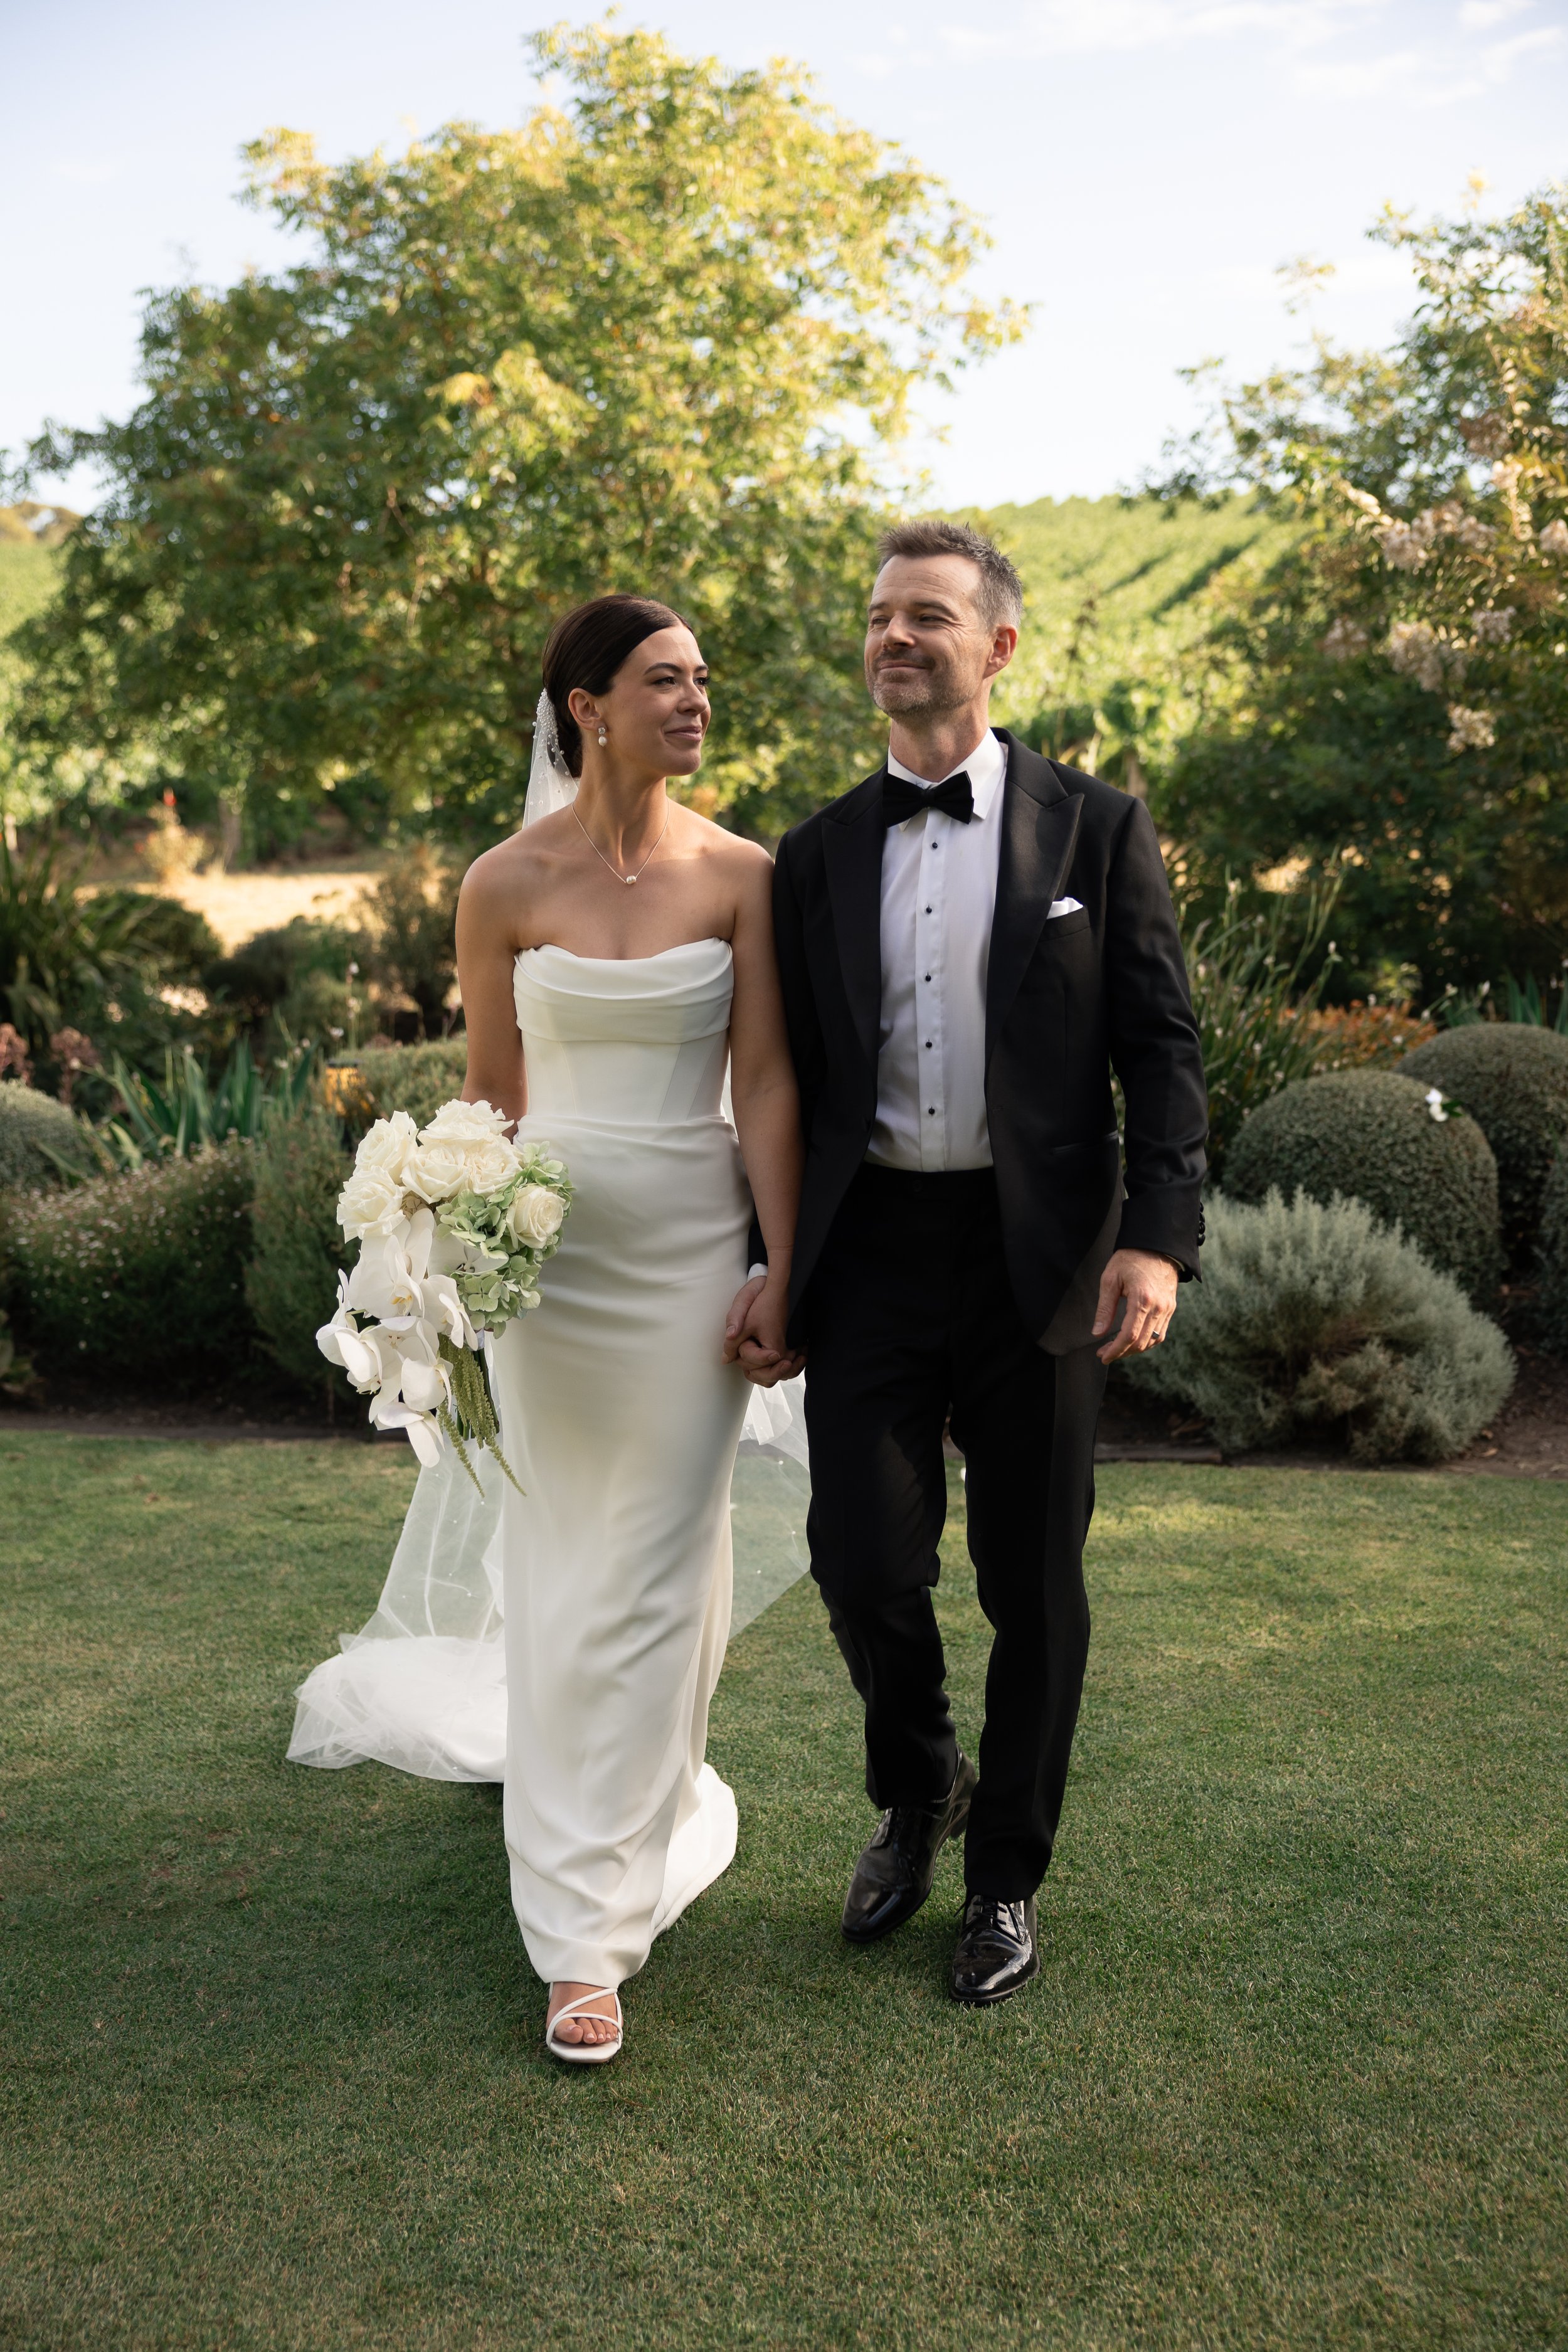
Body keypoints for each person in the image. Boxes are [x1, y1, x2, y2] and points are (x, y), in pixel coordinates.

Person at [742, 519, 1207, 2006]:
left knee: (1030, 1581)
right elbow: (784, 1078)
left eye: (927, 615)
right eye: (879, 615)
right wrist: (771, 1258)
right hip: (871, 1248)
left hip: (1044, 1257)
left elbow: (1160, 1047)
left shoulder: (1096, 830)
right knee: (859, 1562)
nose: (895, 637)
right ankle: (916, 1782)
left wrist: (1156, 1235)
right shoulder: (811, 855)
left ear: (996, 646)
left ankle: (1004, 1877)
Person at [453, 594, 802, 2062]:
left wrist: (783, 1263)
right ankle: (590, 1824)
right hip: (548, 1269)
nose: (696, 700)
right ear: (585, 706)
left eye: (703, 680)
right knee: (566, 1561)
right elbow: (492, 1102)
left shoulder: (743, 874)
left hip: (685, 1256)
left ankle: (582, 1943)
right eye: (666, 680)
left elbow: (770, 1080)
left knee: (662, 1560)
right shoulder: (499, 885)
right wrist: (455, 1255)